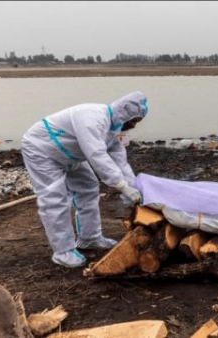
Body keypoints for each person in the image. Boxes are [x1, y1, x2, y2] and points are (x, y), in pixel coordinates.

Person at [21, 91, 149, 268]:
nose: (134, 126)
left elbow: (120, 160)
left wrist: (133, 188)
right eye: (134, 120)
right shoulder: (93, 117)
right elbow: (96, 154)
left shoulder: (115, 128)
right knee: (54, 198)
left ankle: (89, 238)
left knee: (88, 187)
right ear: (124, 113)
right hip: (42, 150)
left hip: (71, 154)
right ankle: (63, 251)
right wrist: (120, 185)